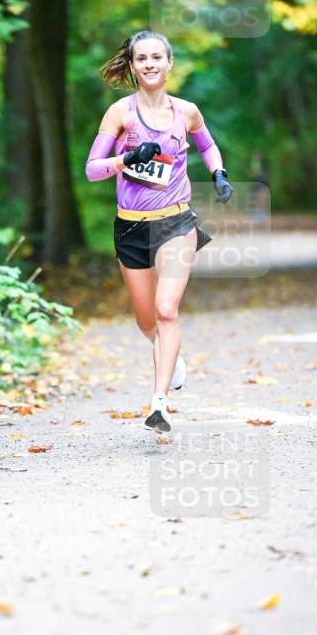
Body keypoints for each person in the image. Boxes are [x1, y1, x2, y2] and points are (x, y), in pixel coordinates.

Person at [85, 30, 233, 433]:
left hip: (175, 222)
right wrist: (128, 158)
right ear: (133, 66)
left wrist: (218, 173)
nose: (149, 64)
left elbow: (207, 146)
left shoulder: (187, 112)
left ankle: (159, 404)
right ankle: (171, 355)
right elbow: (92, 169)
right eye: (142, 58)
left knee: (167, 310)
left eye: (156, 57)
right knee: (146, 319)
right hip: (130, 226)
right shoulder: (121, 113)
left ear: (169, 64)